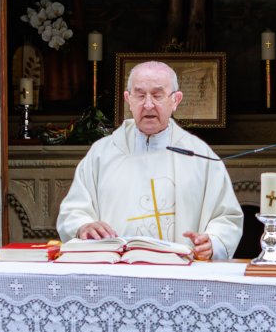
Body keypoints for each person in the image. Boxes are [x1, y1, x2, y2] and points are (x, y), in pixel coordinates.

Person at [56, 61, 242, 259]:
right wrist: (83, 226)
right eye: (140, 95)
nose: (148, 104)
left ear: (176, 100)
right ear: (128, 99)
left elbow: (226, 217)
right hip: (114, 272)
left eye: (157, 95)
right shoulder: (101, 154)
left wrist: (213, 242)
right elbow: (73, 211)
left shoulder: (199, 156)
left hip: (179, 275)